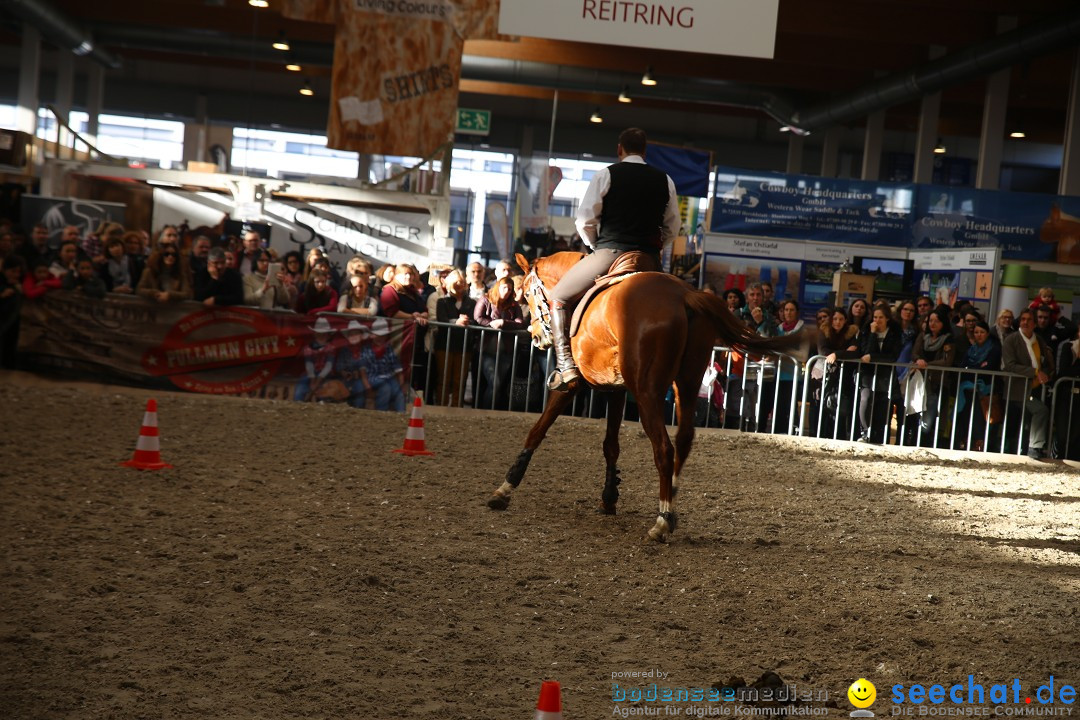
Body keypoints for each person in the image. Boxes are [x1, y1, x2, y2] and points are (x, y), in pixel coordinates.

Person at [547, 127, 680, 390]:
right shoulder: (665, 179)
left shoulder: (605, 174)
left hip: (611, 252)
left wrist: (597, 245)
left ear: (619, 149)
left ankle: (565, 364)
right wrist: (653, 248)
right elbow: (673, 227)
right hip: (649, 260)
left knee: (558, 296)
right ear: (645, 151)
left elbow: (585, 220)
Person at [1001, 308, 1054, 459]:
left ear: (1034, 324)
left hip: (1035, 389)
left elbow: (1045, 361)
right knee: (1038, 412)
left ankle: (1030, 449)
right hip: (1017, 389)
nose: (1025, 322)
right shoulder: (1011, 339)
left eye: (1029, 319)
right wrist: (1035, 372)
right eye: (1023, 319)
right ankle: (1033, 447)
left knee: (1027, 422)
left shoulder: (1039, 340)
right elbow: (1010, 365)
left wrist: (1046, 373)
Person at [473, 276, 527, 408]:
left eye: (509, 289)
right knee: (494, 383)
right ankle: (485, 410)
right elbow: (478, 318)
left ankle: (491, 410)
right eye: (504, 288)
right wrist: (492, 324)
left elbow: (520, 323)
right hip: (487, 349)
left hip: (506, 350)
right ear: (498, 287)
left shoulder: (514, 305)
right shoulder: (486, 299)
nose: (507, 291)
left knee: (499, 384)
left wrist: (503, 323)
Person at [910, 306, 957, 447]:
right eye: (930, 320)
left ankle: (926, 442)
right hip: (920, 381)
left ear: (943, 323)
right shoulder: (923, 336)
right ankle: (915, 441)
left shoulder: (948, 340)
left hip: (937, 383)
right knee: (917, 413)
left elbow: (947, 361)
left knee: (931, 416)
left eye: (937, 321)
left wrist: (927, 364)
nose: (933, 324)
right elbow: (915, 353)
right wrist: (919, 360)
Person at [955, 320, 1003, 452]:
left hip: (986, 391)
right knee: (966, 416)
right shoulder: (971, 349)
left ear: (987, 333)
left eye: (982, 332)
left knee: (981, 419)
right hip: (968, 390)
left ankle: (980, 444)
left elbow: (989, 367)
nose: (979, 335)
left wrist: (973, 369)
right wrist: (976, 368)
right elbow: (964, 367)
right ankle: (967, 442)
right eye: (976, 332)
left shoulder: (994, 349)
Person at [856, 305, 902, 443]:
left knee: (882, 406)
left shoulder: (894, 333)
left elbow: (892, 356)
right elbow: (865, 352)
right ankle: (864, 432)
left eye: (881, 317)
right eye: (875, 317)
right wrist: (872, 334)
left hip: (885, 375)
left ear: (887, 318)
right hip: (868, 374)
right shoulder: (867, 331)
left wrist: (873, 358)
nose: (877, 320)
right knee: (866, 398)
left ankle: (877, 437)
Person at [433, 268, 476, 406]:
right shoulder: (442, 302)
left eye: (462, 282)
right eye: (456, 282)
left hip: (464, 346)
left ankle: (457, 407)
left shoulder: (472, 303)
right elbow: (442, 320)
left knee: (460, 379)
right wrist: (456, 322)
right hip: (444, 345)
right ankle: (441, 405)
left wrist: (468, 321)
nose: (459, 285)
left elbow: (476, 321)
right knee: (443, 378)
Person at [357, 317, 407, 411]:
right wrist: (367, 386)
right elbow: (362, 371)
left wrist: (401, 384)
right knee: (385, 388)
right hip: (373, 377)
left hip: (388, 378)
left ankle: (401, 415)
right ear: (373, 335)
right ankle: (381, 413)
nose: (381, 337)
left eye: (383, 335)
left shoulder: (388, 348)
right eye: (378, 335)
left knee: (399, 394)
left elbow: (398, 369)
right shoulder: (366, 349)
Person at [294, 316, 338, 402]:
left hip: (326, 375)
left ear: (328, 335)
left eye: (324, 333)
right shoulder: (308, 348)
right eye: (319, 333)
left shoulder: (331, 348)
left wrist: (318, 380)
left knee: (326, 389)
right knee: (301, 387)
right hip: (310, 374)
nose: (321, 335)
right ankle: (298, 401)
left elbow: (328, 366)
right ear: (315, 334)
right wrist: (312, 379)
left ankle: (322, 402)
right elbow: (309, 364)